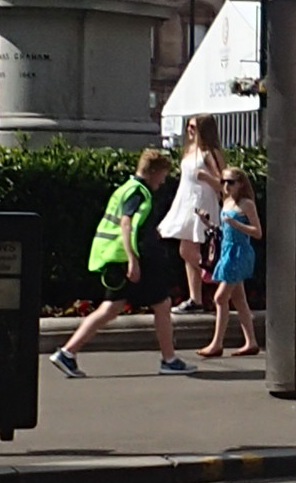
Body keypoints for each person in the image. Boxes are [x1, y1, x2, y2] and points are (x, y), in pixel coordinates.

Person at [52, 147, 188, 375]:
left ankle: (67, 352)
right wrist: (132, 259)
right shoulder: (138, 192)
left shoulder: (126, 188)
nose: (163, 181)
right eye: (162, 175)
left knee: (112, 307)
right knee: (162, 304)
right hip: (131, 258)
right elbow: (126, 223)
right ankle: (169, 360)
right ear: (153, 172)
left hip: (118, 257)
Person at [159, 114, 224, 310]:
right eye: (189, 126)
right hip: (187, 200)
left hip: (201, 201)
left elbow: (224, 183)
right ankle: (196, 297)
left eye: (194, 127)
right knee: (186, 250)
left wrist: (206, 177)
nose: (189, 130)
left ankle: (212, 273)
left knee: (189, 249)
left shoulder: (209, 153)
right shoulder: (190, 151)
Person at [198, 169, 262, 359]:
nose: (226, 186)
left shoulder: (246, 204)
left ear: (241, 183)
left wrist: (237, 224)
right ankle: (251, 341)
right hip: (226, 251)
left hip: (239, 252)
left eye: (231, 182)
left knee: (220, 298)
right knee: (239, 299)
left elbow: (257, 232)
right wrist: (207, 223)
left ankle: (217, 343)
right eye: (223, 181)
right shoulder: (226, 202)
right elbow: (224, 230)